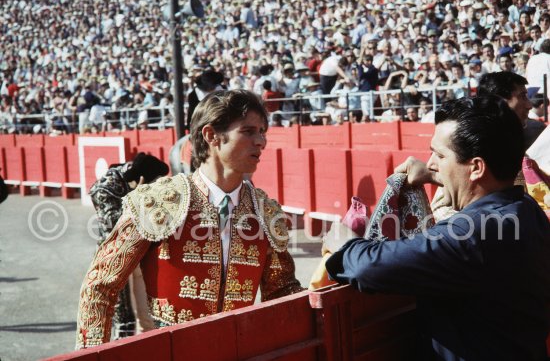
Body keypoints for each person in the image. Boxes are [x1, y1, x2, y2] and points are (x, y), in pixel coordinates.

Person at [325, 96, 550, 361]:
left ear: (477, 167)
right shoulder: (526, 208)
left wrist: (344, 242)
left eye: (440, 155)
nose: (431, 163)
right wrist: (437, 176)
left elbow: (368, 267)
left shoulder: (472, 236)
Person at [76, 89, 303, 349]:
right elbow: (100, 285)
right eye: (249, 131)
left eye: (263, 131)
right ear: (211, 136)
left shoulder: (265, 211)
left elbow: (282, 292)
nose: (261, 140)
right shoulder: (160, 201)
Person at [89, 152, 170, 339]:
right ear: (142, 180)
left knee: (148, 311)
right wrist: (137, 200)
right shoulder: (105, 188)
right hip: (114, 255)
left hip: (141, 252)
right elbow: (114, 226)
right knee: (122, 314)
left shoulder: (138, 178)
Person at [477, 71, 547, 149]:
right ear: (499, 101)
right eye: (522, 96)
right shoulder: (473, 143)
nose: (529, 105)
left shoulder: (535, 132)